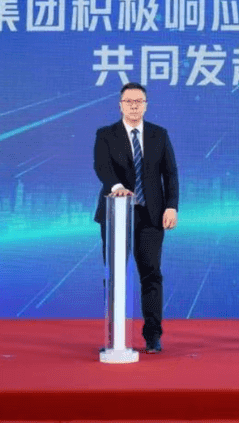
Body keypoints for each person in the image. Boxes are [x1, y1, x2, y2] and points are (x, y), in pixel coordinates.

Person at [93, 82, 179, 354]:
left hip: (151, 216)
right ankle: (114, 336)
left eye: (138, 101)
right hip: (115, 214)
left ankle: (152, 335)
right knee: (114, 275)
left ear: (146, 105)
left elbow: (170, 173)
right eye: (128, 101)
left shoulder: (159, 134)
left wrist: (171, 206)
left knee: (151, 274)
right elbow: (102, 166)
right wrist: (117, 188)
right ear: (120, 105)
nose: (133, 106)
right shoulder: (106, 134)